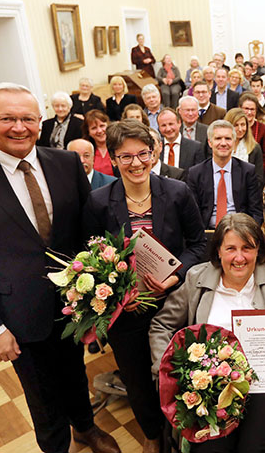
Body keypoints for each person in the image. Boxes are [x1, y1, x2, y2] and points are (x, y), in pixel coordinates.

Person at [0, 83, 120, 453]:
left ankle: (85, 427)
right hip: (16, 316)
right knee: (41, 394)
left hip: (74, 306)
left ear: (41, 122)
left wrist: (101, 296)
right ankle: (55, 446)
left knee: (74, 372)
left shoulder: (65, 163)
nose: (19, 127)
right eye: (7, 118)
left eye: (27, 118)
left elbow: (88, 233)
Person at [83, 120, 206, 453]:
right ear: (112, 158)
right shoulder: (97, 201)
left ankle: (184, 430)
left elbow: (198, 245)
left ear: (154, 153)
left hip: (175, 303)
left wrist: (174, 278)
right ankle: (153, 434)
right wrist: (121, 293)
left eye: (143, 154)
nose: (136, 163)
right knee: (137, 380)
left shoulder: (177, 192)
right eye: (126, 157)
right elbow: (91, 257)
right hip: (127, 312)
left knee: (180, 370)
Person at [148, 213, 265, 452]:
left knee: (253, 447)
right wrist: (166, 371)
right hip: (212, 386)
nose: (239, 257)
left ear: (258, 249)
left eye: (247, 248)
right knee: (211, 449)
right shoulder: (197, 279)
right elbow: (161, 326)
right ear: (218, 251)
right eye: (231, 248)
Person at [187, 120, 263, 228]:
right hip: (207, 232)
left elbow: (256, 211)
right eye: (218, 138)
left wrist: (248, 233)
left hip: (240, 231)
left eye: (228, 139)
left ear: (234, 142)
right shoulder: (196, 173)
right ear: (210, 142)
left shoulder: (247, 171)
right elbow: (192, 213)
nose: (223, 143)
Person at [225, 107, 264, 188]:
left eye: (243, 125)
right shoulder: (220, 147)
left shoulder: (255, 148)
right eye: (235, 125)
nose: (240, 129)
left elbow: (259, 179)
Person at [239, 93, 265, 175]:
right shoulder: (234, 127)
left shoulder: (264, 129)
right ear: (240, 108)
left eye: (252, 109)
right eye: (246, 109)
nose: (249, 112)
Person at [83, 109, 114, 176]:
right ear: (88, 132)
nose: (99, 131)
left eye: (102, 126)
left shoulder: (118, 147)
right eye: (94, 128)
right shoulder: (86, 152)